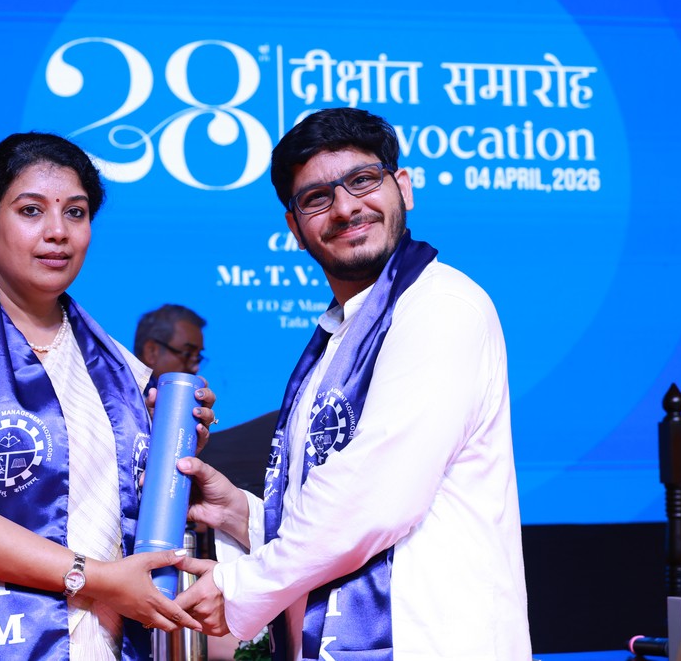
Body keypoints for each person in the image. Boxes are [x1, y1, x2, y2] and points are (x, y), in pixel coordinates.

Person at [173, 108, 532, 660]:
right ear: (295, 228)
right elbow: (335, 509)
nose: (345, 208)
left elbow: (375, 500)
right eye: (317, 198)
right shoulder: (337, 337)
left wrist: (238, 586)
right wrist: (241, 515)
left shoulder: (441, 306)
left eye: (362, 180)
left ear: (402, 187)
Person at [0, 132, 217, 661]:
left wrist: (178, 454)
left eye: (75, 213)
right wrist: (92, 577)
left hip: (92, 639)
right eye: (31, 211)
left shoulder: (122, 367)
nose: (58, 231)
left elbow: (119, 515)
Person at [134, 304, 207, 389]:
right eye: (187, 354)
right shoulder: (124, 394)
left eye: (198, 357)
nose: (196, 368)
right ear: (151, 352)